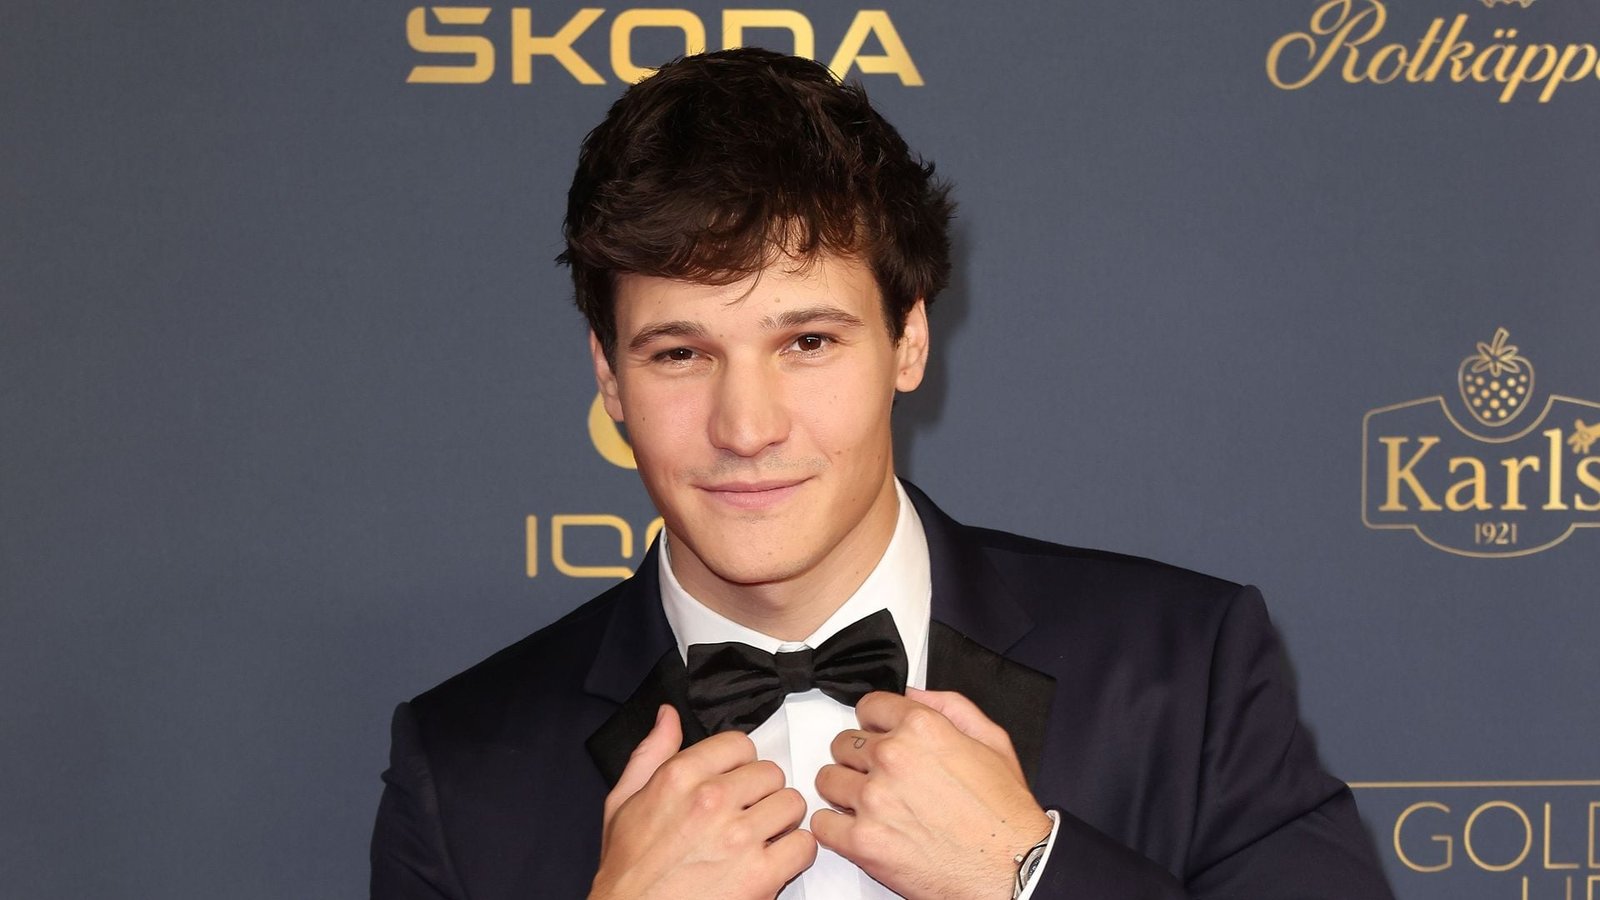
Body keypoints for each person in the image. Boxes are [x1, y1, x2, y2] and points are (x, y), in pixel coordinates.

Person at [370, 48, 1395, 900]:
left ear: (909, 342)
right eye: (680, 353)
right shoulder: (460, 767)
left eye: (807, 342)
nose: (746, 427)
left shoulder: (1183, 671)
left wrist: (1026, 875)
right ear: (609, 378)